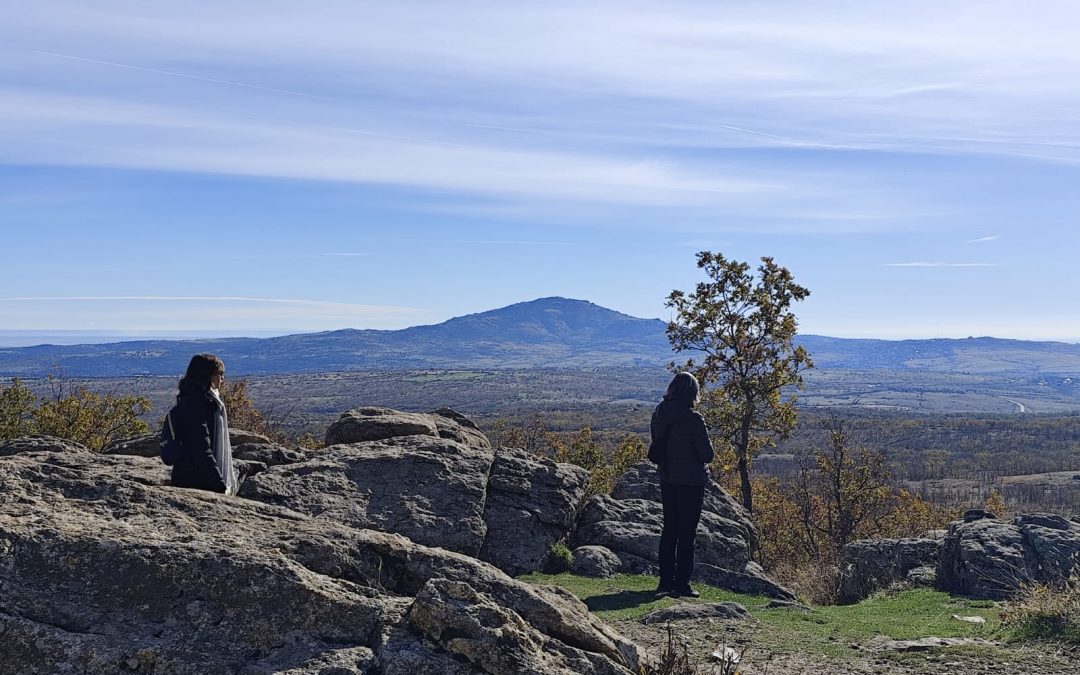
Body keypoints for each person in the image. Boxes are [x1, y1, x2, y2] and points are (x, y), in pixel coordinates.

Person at [651, 371, 714, 598]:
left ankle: (664, 583)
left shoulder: (659, 413)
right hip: (691, 482)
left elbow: (657, 445)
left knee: (669, 531)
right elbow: (707, 455)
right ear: (692, 393)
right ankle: (683, 585)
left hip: (668, 478)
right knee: (687, 534)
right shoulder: (694, 419)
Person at [169, 353, 239, 495]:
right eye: (220, 373)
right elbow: (201, 448)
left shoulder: (198, 400)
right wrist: (219, 483)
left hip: (190, 477)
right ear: (208, 375)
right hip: (195, 482)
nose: (222, 378)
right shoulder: (196, 405)